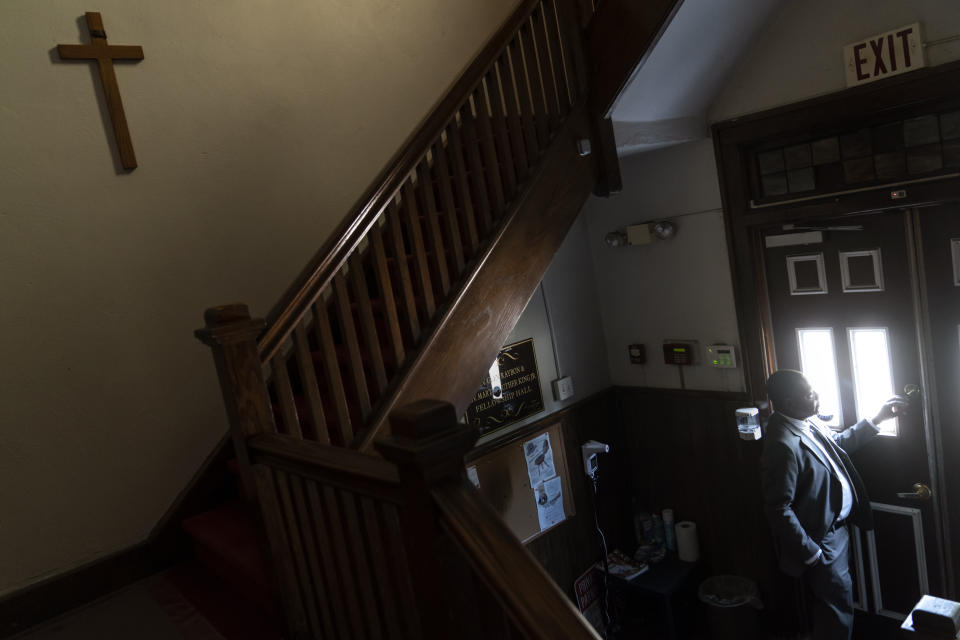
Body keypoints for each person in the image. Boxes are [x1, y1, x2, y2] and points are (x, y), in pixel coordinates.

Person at [760, 369, 905, 640]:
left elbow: (836, 445)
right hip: (821, 541)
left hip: (837, 532)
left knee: (839, 604)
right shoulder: (782, 444)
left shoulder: (807, 421)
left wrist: (877, 420)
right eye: (810, 393)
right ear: (790, 402)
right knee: (836, 612)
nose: (817, 396)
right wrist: (811, 552)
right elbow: (778, 507)